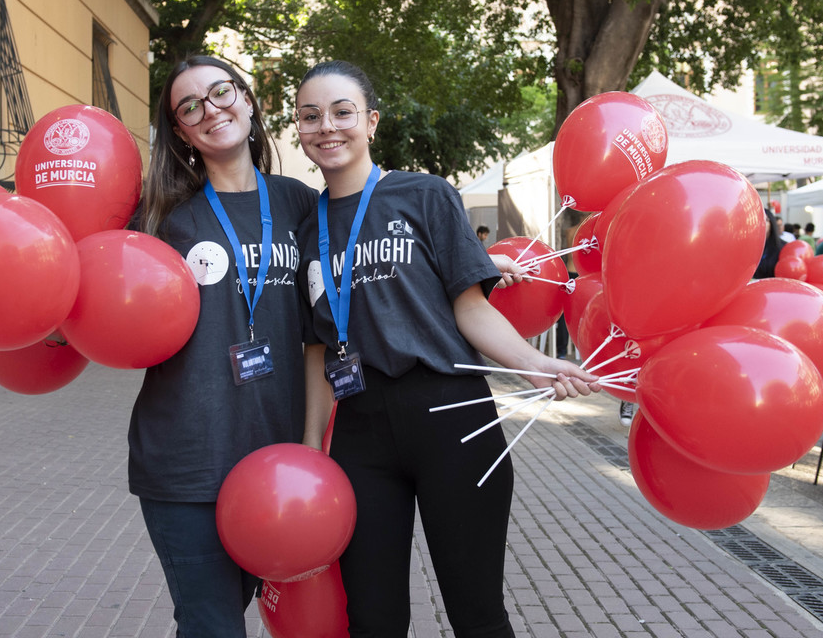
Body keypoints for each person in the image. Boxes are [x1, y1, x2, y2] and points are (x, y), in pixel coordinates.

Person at [295, 60, 599, 638]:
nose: (327, 127)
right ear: (300, 128)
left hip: (452, 418)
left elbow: (472, 307)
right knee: (374, 620)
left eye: (342, 112)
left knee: (476, 614)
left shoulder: (425, 195)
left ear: (371, 122)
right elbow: (316, 347)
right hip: (359, 431)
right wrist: (313, 448)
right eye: (311, 116)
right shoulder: (307, 226)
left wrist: (536, 365)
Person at [128, 55, 319, 636]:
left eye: (221, 92)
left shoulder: (300, 204)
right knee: (212, 625)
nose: (211, 110)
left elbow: (357, 285)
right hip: (188, 461)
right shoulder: (162, 220)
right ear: (182, 133)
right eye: (190, 107)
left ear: (248, 98)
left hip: (278, 461)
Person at [754, 209, 782, 279]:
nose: (760, 223)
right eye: (757, 220)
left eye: (764, 219)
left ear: (771, 223)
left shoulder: (782, 247)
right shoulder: (747, 247)